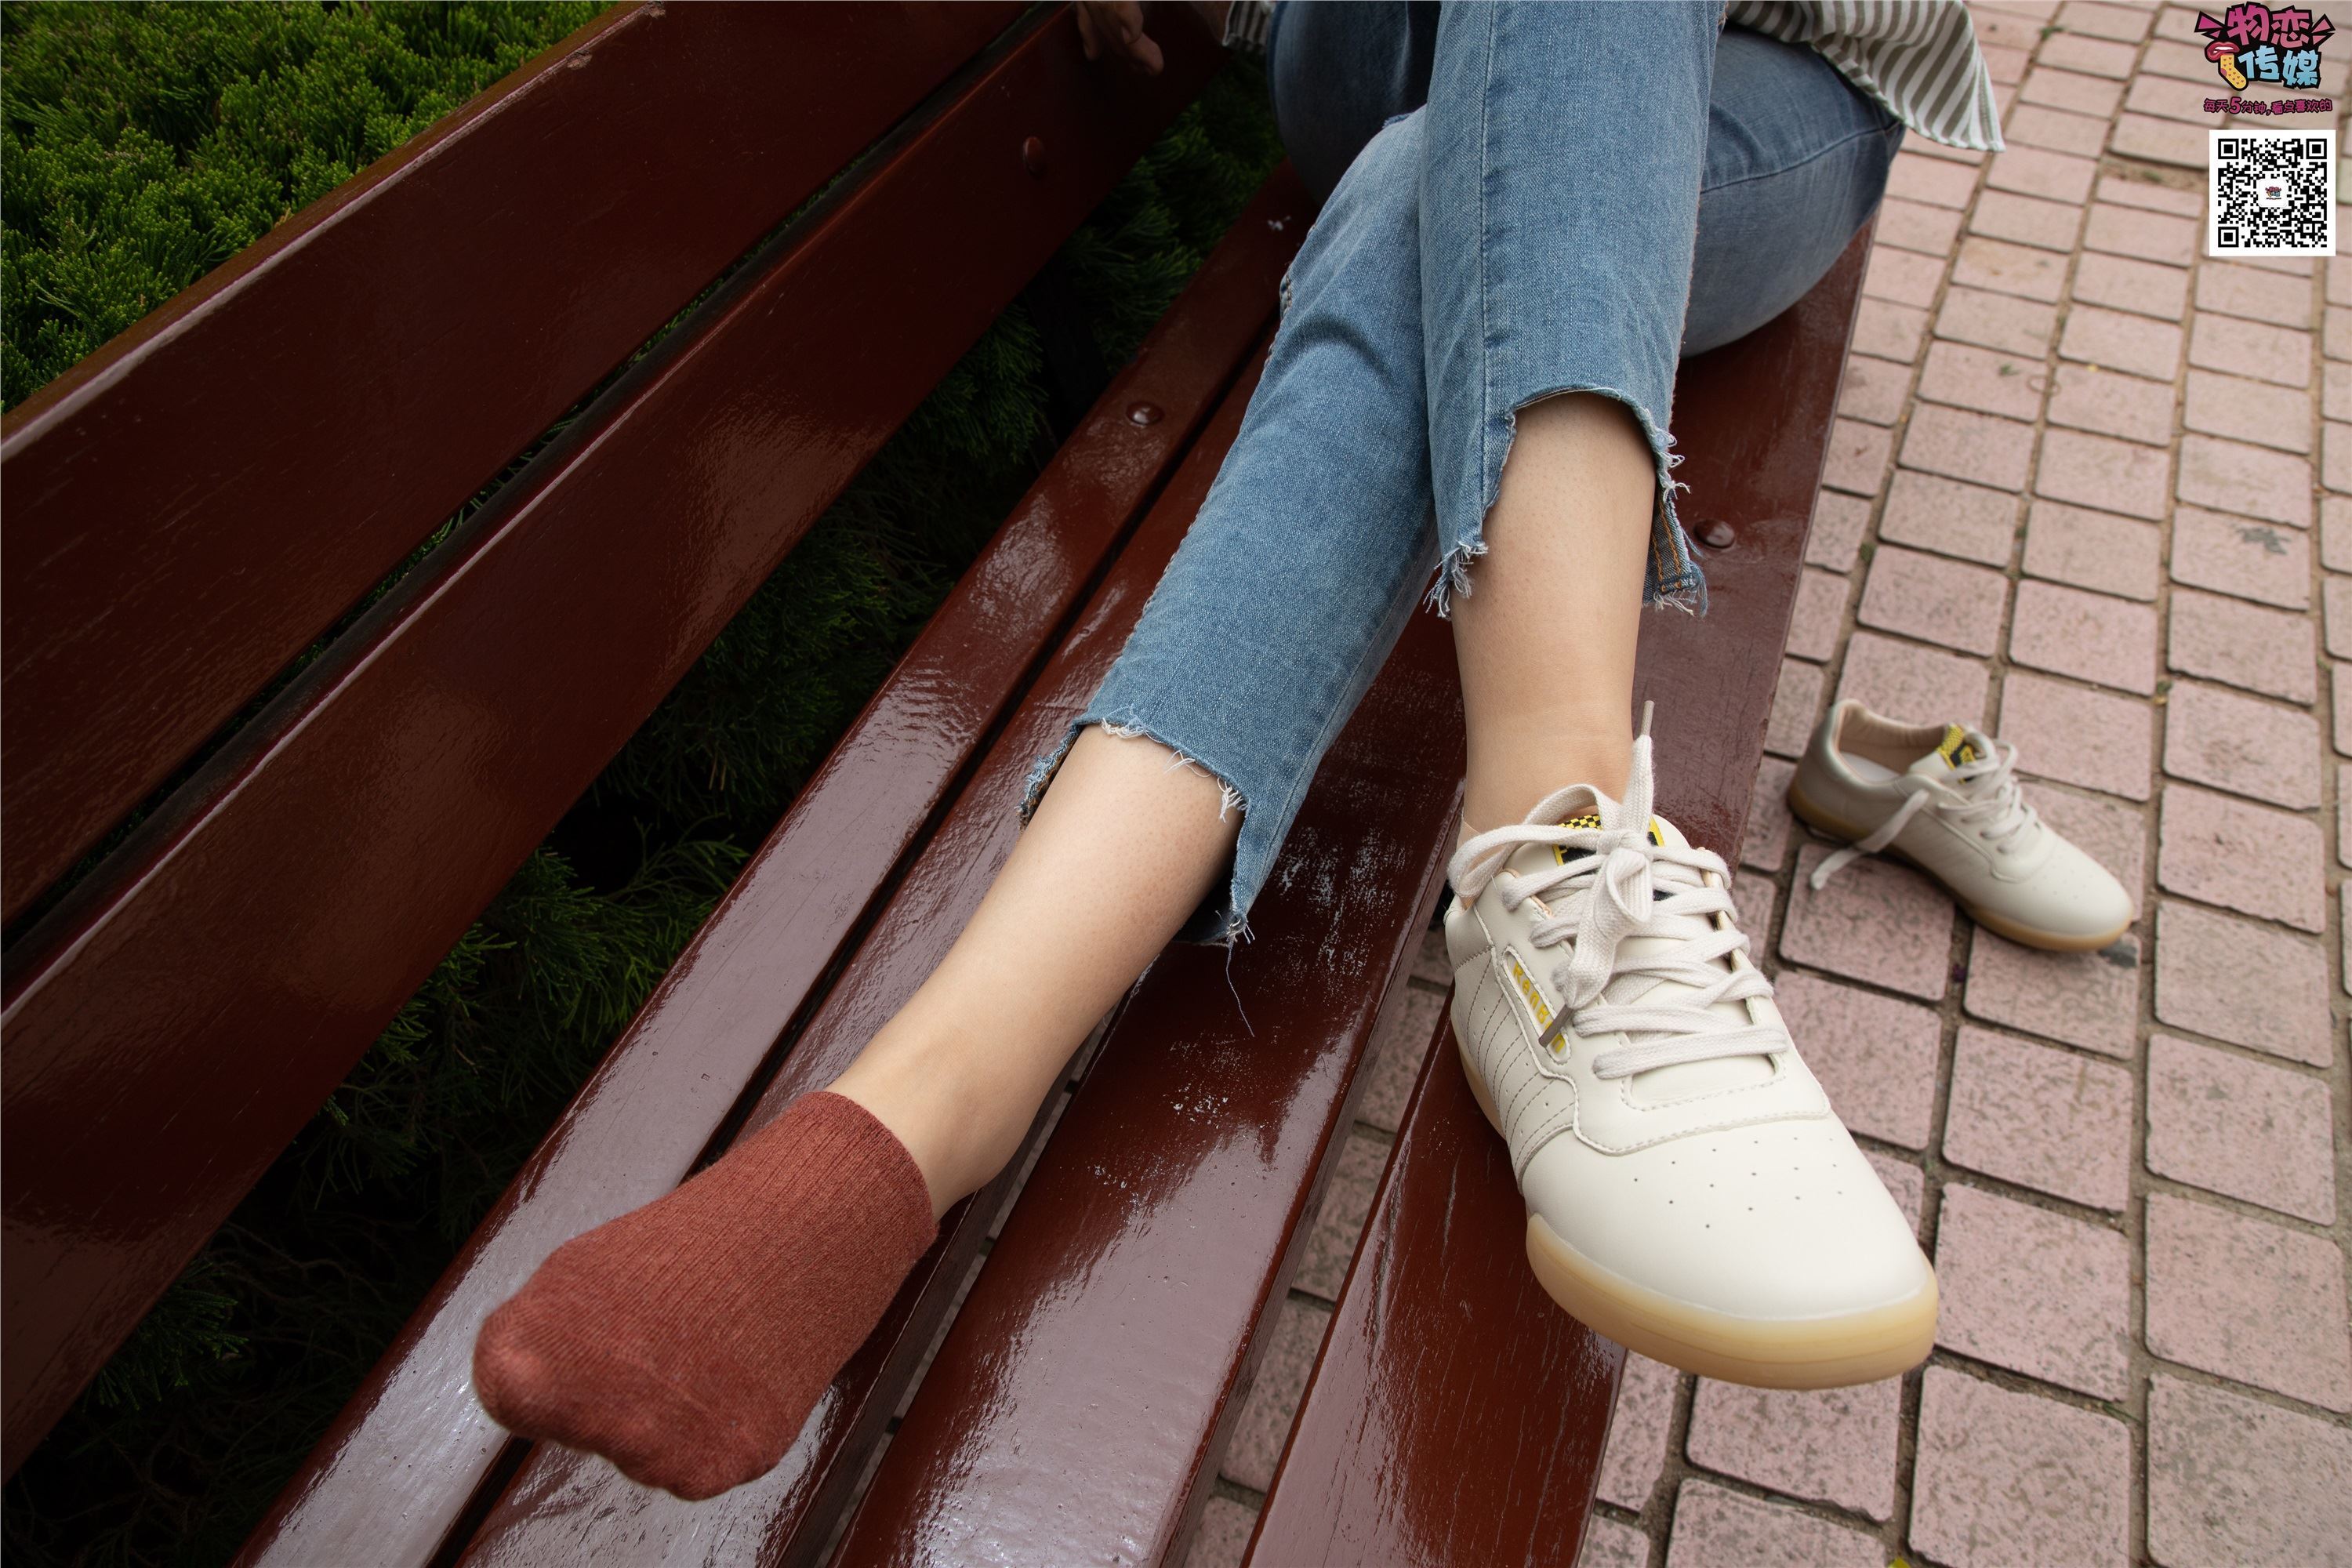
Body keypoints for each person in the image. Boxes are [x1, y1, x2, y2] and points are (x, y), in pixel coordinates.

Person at [470, 0, 2039, 1502]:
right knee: (1446, 172)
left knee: (1433, 193)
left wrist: (2283, 205)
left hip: (1757, 94)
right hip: (1381, 35)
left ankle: (929, 1097)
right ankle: (1557, 849)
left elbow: (2279, 38)